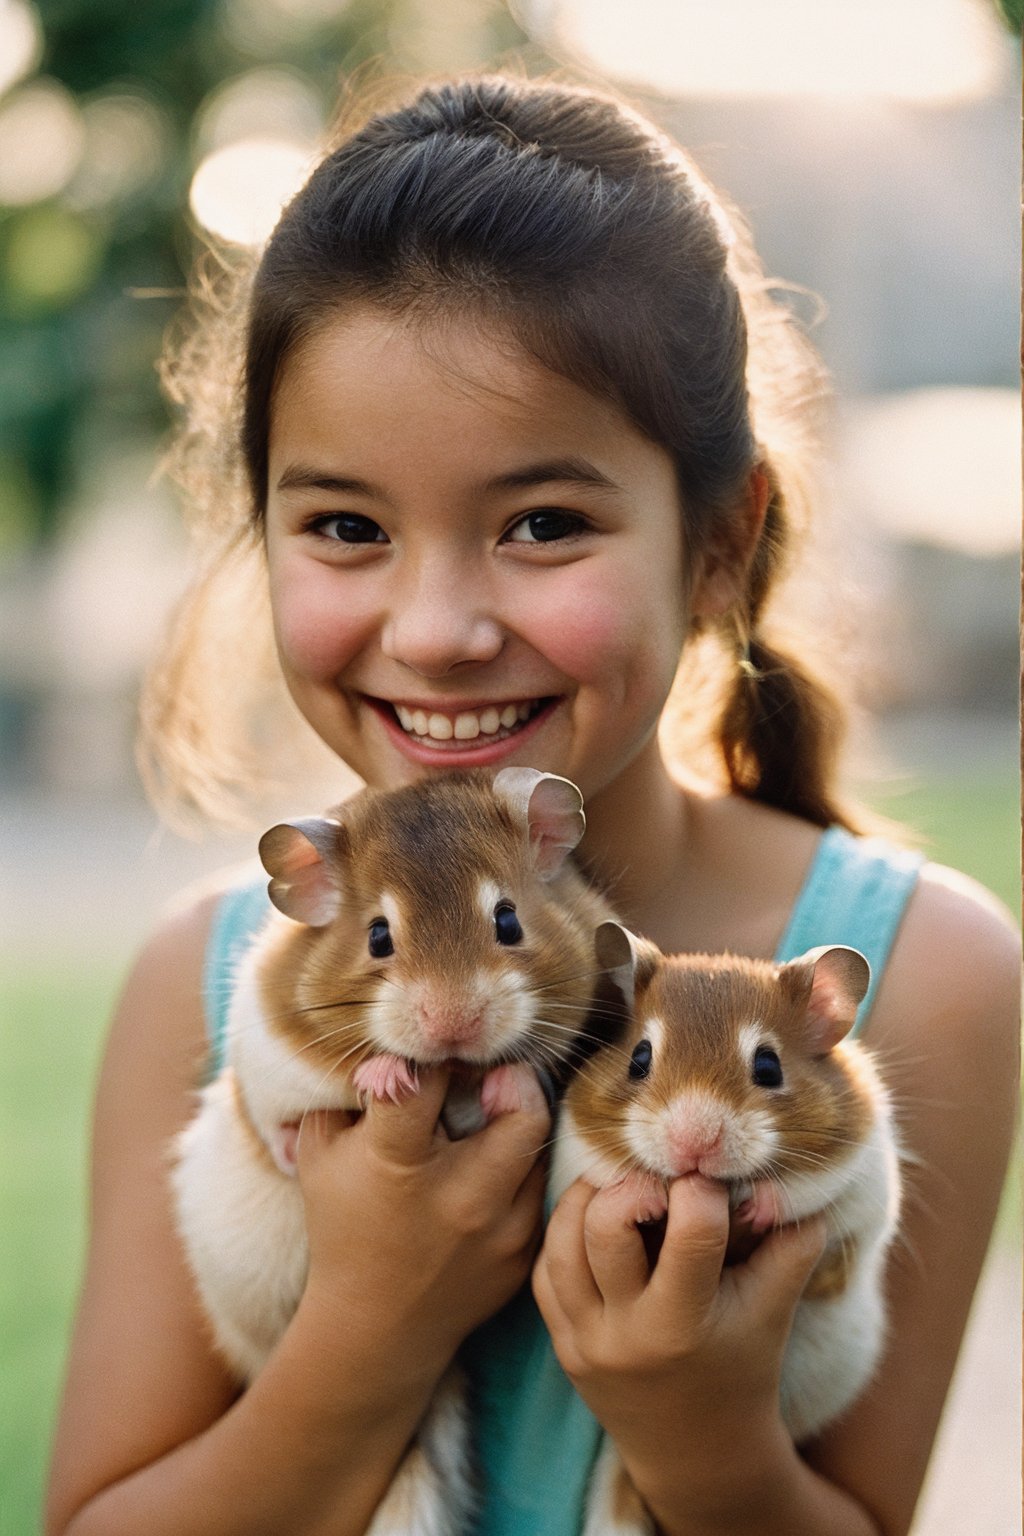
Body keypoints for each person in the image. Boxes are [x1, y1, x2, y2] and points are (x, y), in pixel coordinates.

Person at [46, 73, 1018, 1536]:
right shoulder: (195, 988)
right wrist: (367, 1331)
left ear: (717, 543)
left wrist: (700, 1437)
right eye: (346, 527)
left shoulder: (920, 977)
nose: (436, 628)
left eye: (544, 524)